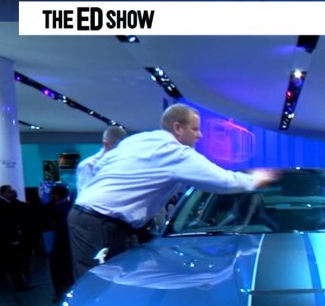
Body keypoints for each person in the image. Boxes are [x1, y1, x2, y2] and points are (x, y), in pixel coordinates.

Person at [69, 104, 278, 279]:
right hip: (100, 223)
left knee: (106, 283)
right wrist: (255, 180)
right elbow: (222, 181)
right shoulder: (174, 152)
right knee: (98, 284)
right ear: (178, 128)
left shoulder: (136, 141)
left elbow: (98, 165)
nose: (199, 135)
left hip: (91, 218)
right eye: (195, 129)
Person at [75, 125, 127, 191]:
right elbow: (86, 192)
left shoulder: (123, 162)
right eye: (117, 148)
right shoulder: (88, 165)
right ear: (106, 144)